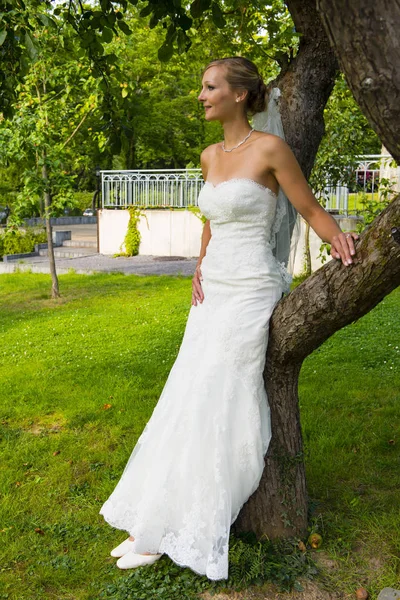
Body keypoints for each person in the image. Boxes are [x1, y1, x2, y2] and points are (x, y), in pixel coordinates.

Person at [99, 56, 358, 580]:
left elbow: (307, 208)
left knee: (223, 392)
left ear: (239, 95)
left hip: (251, 288)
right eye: (202, 87)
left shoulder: (271, 148)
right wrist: (199, 265)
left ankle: (195, 520)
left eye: (210, 87)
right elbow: (211, 219)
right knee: (187, 390)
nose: (201, 96)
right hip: (212, 287)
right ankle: (155, 519)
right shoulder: (209, 155)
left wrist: (339, 237)